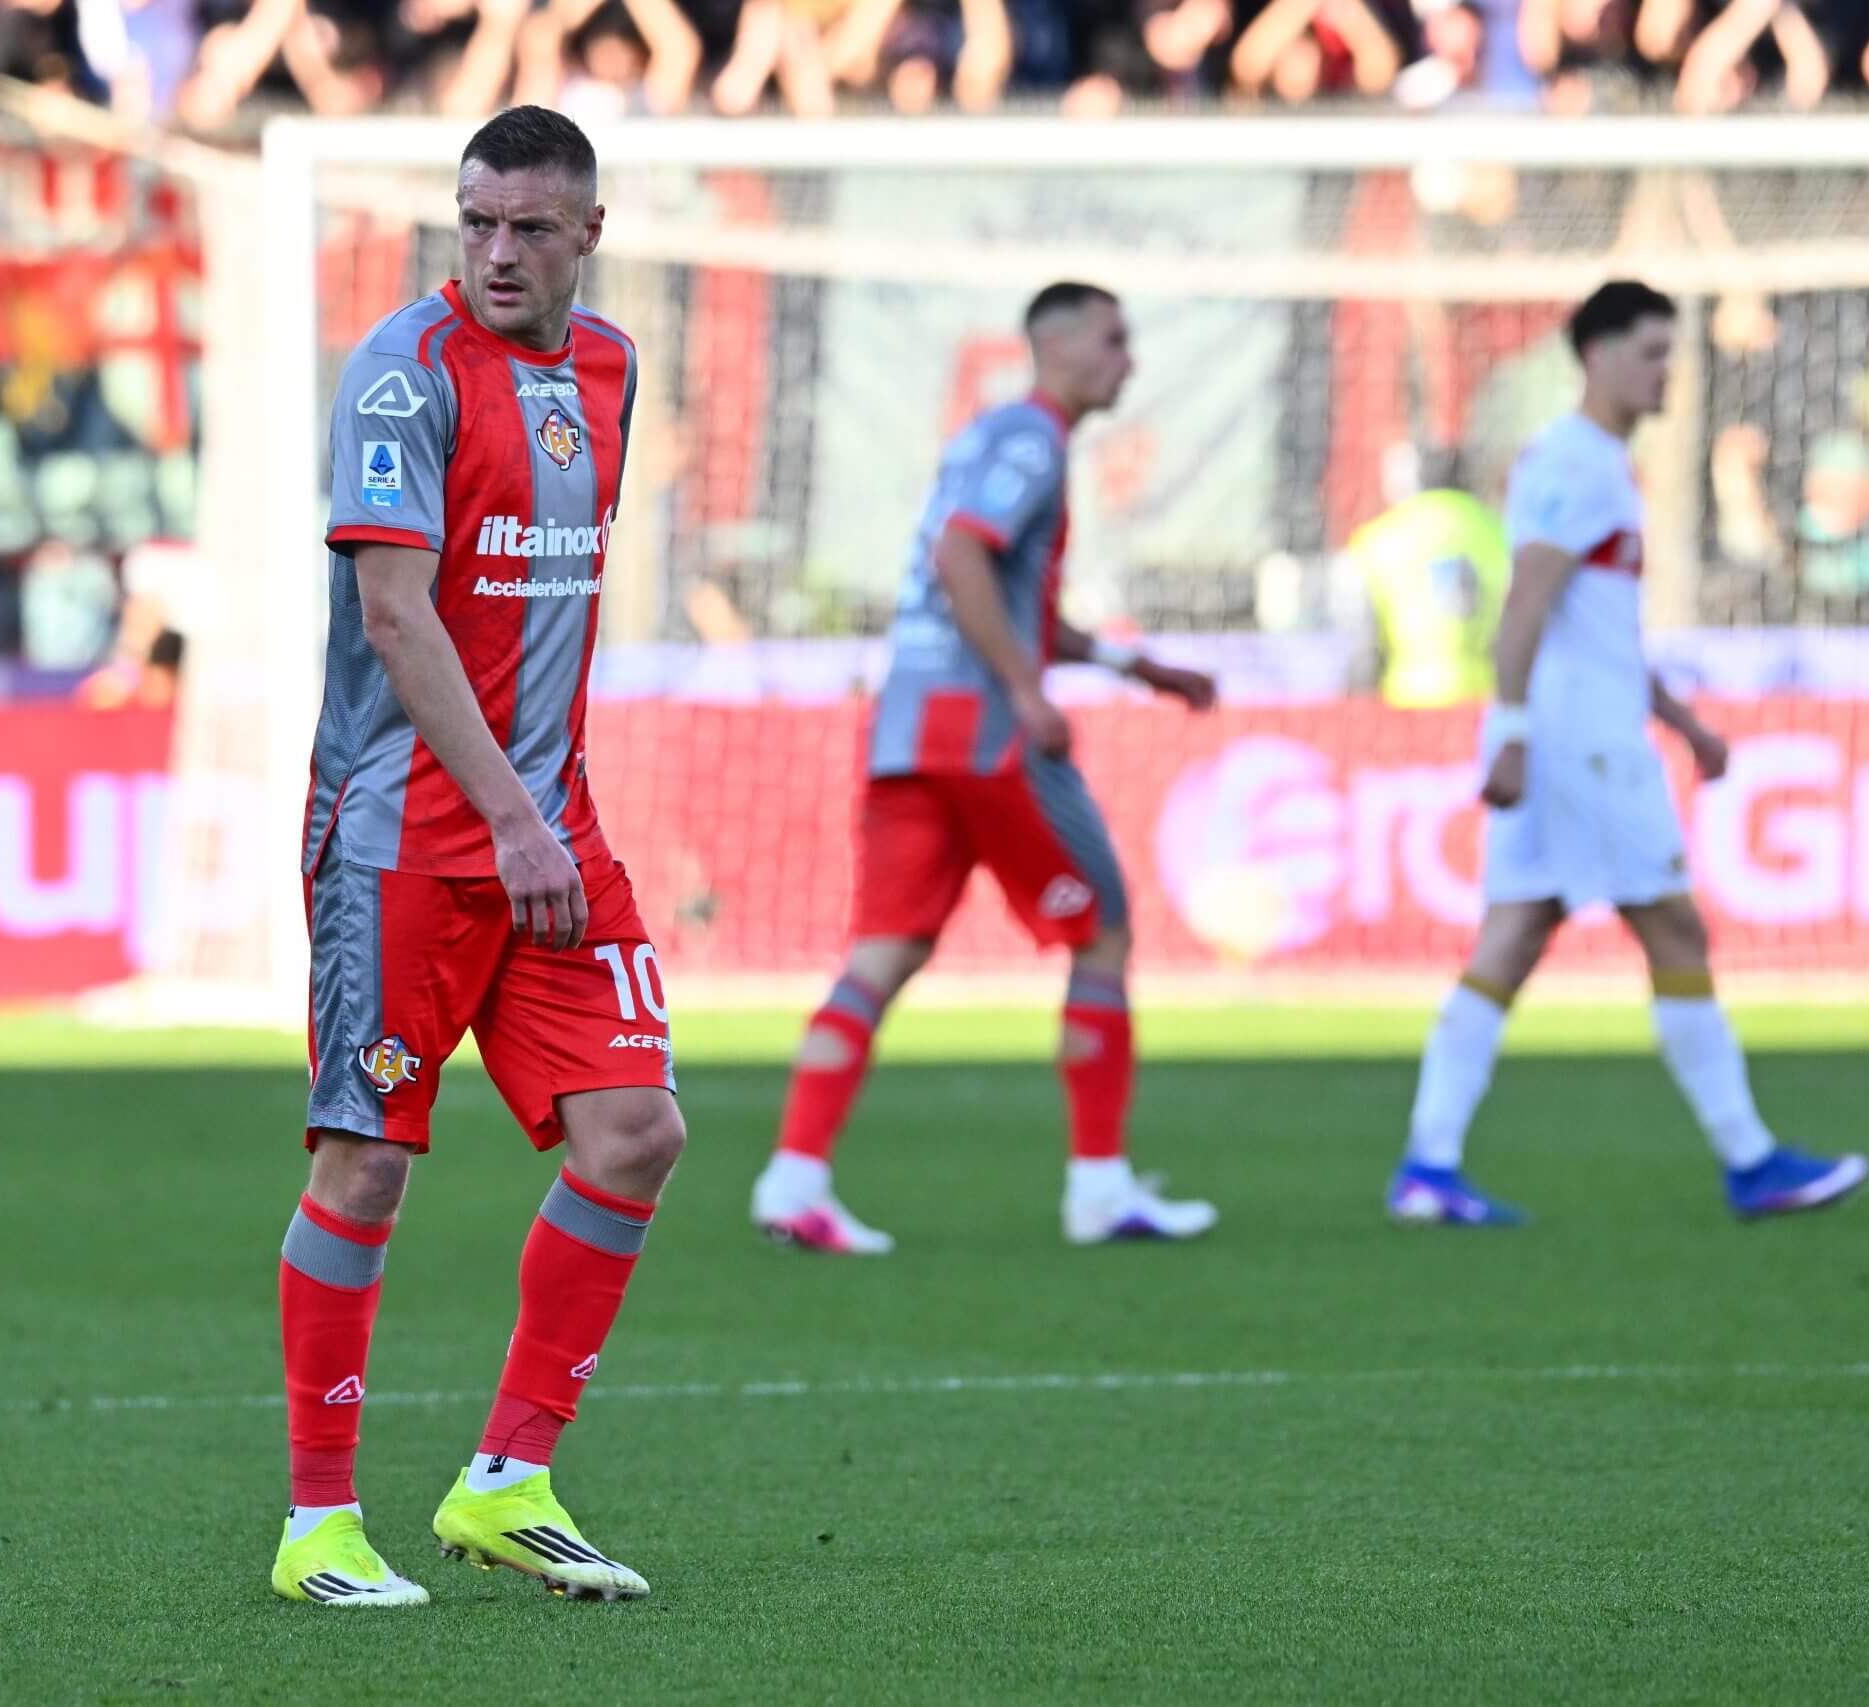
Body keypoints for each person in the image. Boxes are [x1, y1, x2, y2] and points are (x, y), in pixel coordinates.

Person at [272, 105, 682, 1609]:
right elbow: (397, 612)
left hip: (546, 825)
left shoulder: (612, 369)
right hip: (407, 835)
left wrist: (542, 807)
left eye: (528, 226)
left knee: (635, 1130)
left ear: (587, 232)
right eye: (475, 222)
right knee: (367, 1157)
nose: (497, 251)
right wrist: (511, 811)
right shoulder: (403, 370)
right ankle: (319, 1522)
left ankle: (508, 1477)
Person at [749, 282, 1222, 1258]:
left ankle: (794, 1177)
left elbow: (1001, 591)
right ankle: (1098, 1187)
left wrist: (1136, 666)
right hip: (984, 734)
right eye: (1113, 339)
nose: (1127, 361)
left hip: (909, 729)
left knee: (883, 956)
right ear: (1056, 347)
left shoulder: (988, 440)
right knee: (1103, 931)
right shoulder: (1030, 437)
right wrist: (1027, 690)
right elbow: (963, 557)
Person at [1390, 279, 1869, 1228]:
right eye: (1650, 352)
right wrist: (1515, 732)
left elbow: (1589, 629)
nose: (1665, 373)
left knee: (1514, 937)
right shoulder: (1585, 465)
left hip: (1576, 731)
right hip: (1583, 749)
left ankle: (1428, 1164)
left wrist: (1684, 724)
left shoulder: (1579, 461)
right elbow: (1526, 602)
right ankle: (1751, 1158)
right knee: (1675, 929)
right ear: (1597, 354)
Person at [1345, 444, 1509, 708]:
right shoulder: (1500, 532)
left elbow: (1362, 641)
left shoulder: (1377, 540)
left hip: (1406, 699)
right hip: (1485, 699)